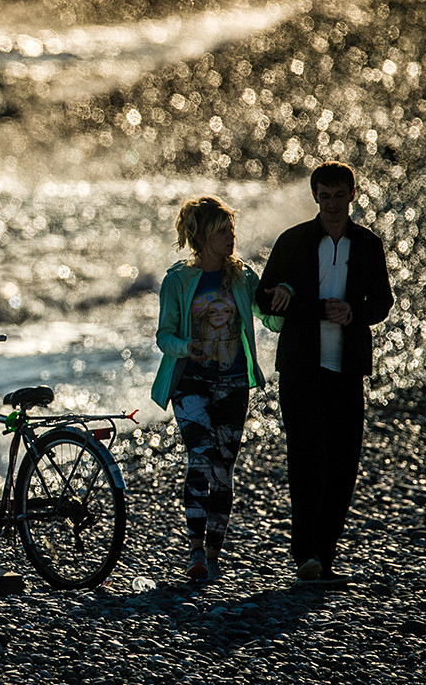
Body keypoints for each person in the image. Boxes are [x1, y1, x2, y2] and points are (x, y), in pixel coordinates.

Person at [255, 161, 393, 585]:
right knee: (306, 461)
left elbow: (383, 302)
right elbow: (264, 297)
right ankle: (305, 556)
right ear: (315, 196)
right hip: (300, 368)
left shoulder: (368, 244)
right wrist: (312, 307)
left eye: (339, 195)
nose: (332, 204)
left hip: (347, 368)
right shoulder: (294, 240)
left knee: (343, 464)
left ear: (353, 195)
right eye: (325, 195)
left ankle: (324, 555)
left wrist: (354, 313)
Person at [151, 196, 285, 580]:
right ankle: (195, 552)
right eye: (222, 231)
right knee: (200, 459)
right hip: (190, 382)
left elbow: (271, 320)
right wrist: (185, 347)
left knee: (224, 469)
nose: (231, 236)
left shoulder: (243, 277)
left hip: (233, 383)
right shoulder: (177, 280)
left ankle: (213, 553)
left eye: (231, 229)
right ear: (202, 237)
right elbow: (164, 336)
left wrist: (286, 294)